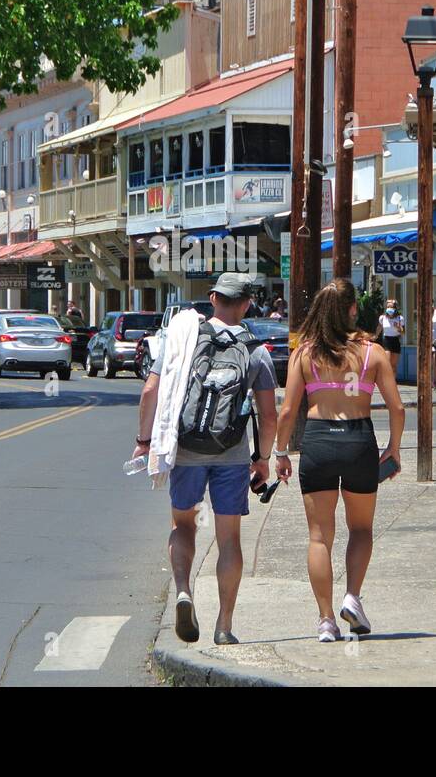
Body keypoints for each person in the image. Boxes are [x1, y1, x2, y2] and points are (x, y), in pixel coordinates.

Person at [132, 273, 278, 646]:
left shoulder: (183, 339)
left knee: (184, 526)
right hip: (231, 454)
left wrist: (144, 441)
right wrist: (263, 459)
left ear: (212, 298)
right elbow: (269, 415)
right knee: (229, 540)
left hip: (187, 450)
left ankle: (184, 590)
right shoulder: (257, 350)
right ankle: (224, 626)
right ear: (246, 304)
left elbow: (150, 390)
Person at [274, 278, 406, 642]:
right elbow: (397, 407)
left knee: (319, 537)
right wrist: (393, 448)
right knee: (361, 529)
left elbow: (287, 412)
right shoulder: (372, 353)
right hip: (358, 441)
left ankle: (326, 621)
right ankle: (352, 597)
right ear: (351, 310)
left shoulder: (305, 353)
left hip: (317, 444)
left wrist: (281, 453)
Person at [377, 298, 405, 374]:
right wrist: (375, 336)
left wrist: (398, 327)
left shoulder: (400, 318)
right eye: (388, 307)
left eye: (391, 307)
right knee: (387, 363)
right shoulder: (382, 318)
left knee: (393, 365)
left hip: (395, 340)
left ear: (395, 308)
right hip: (387, 340)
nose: (389, 309)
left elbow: (403, 332)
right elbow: (379, 328)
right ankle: (386, 381)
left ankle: (393, 382)